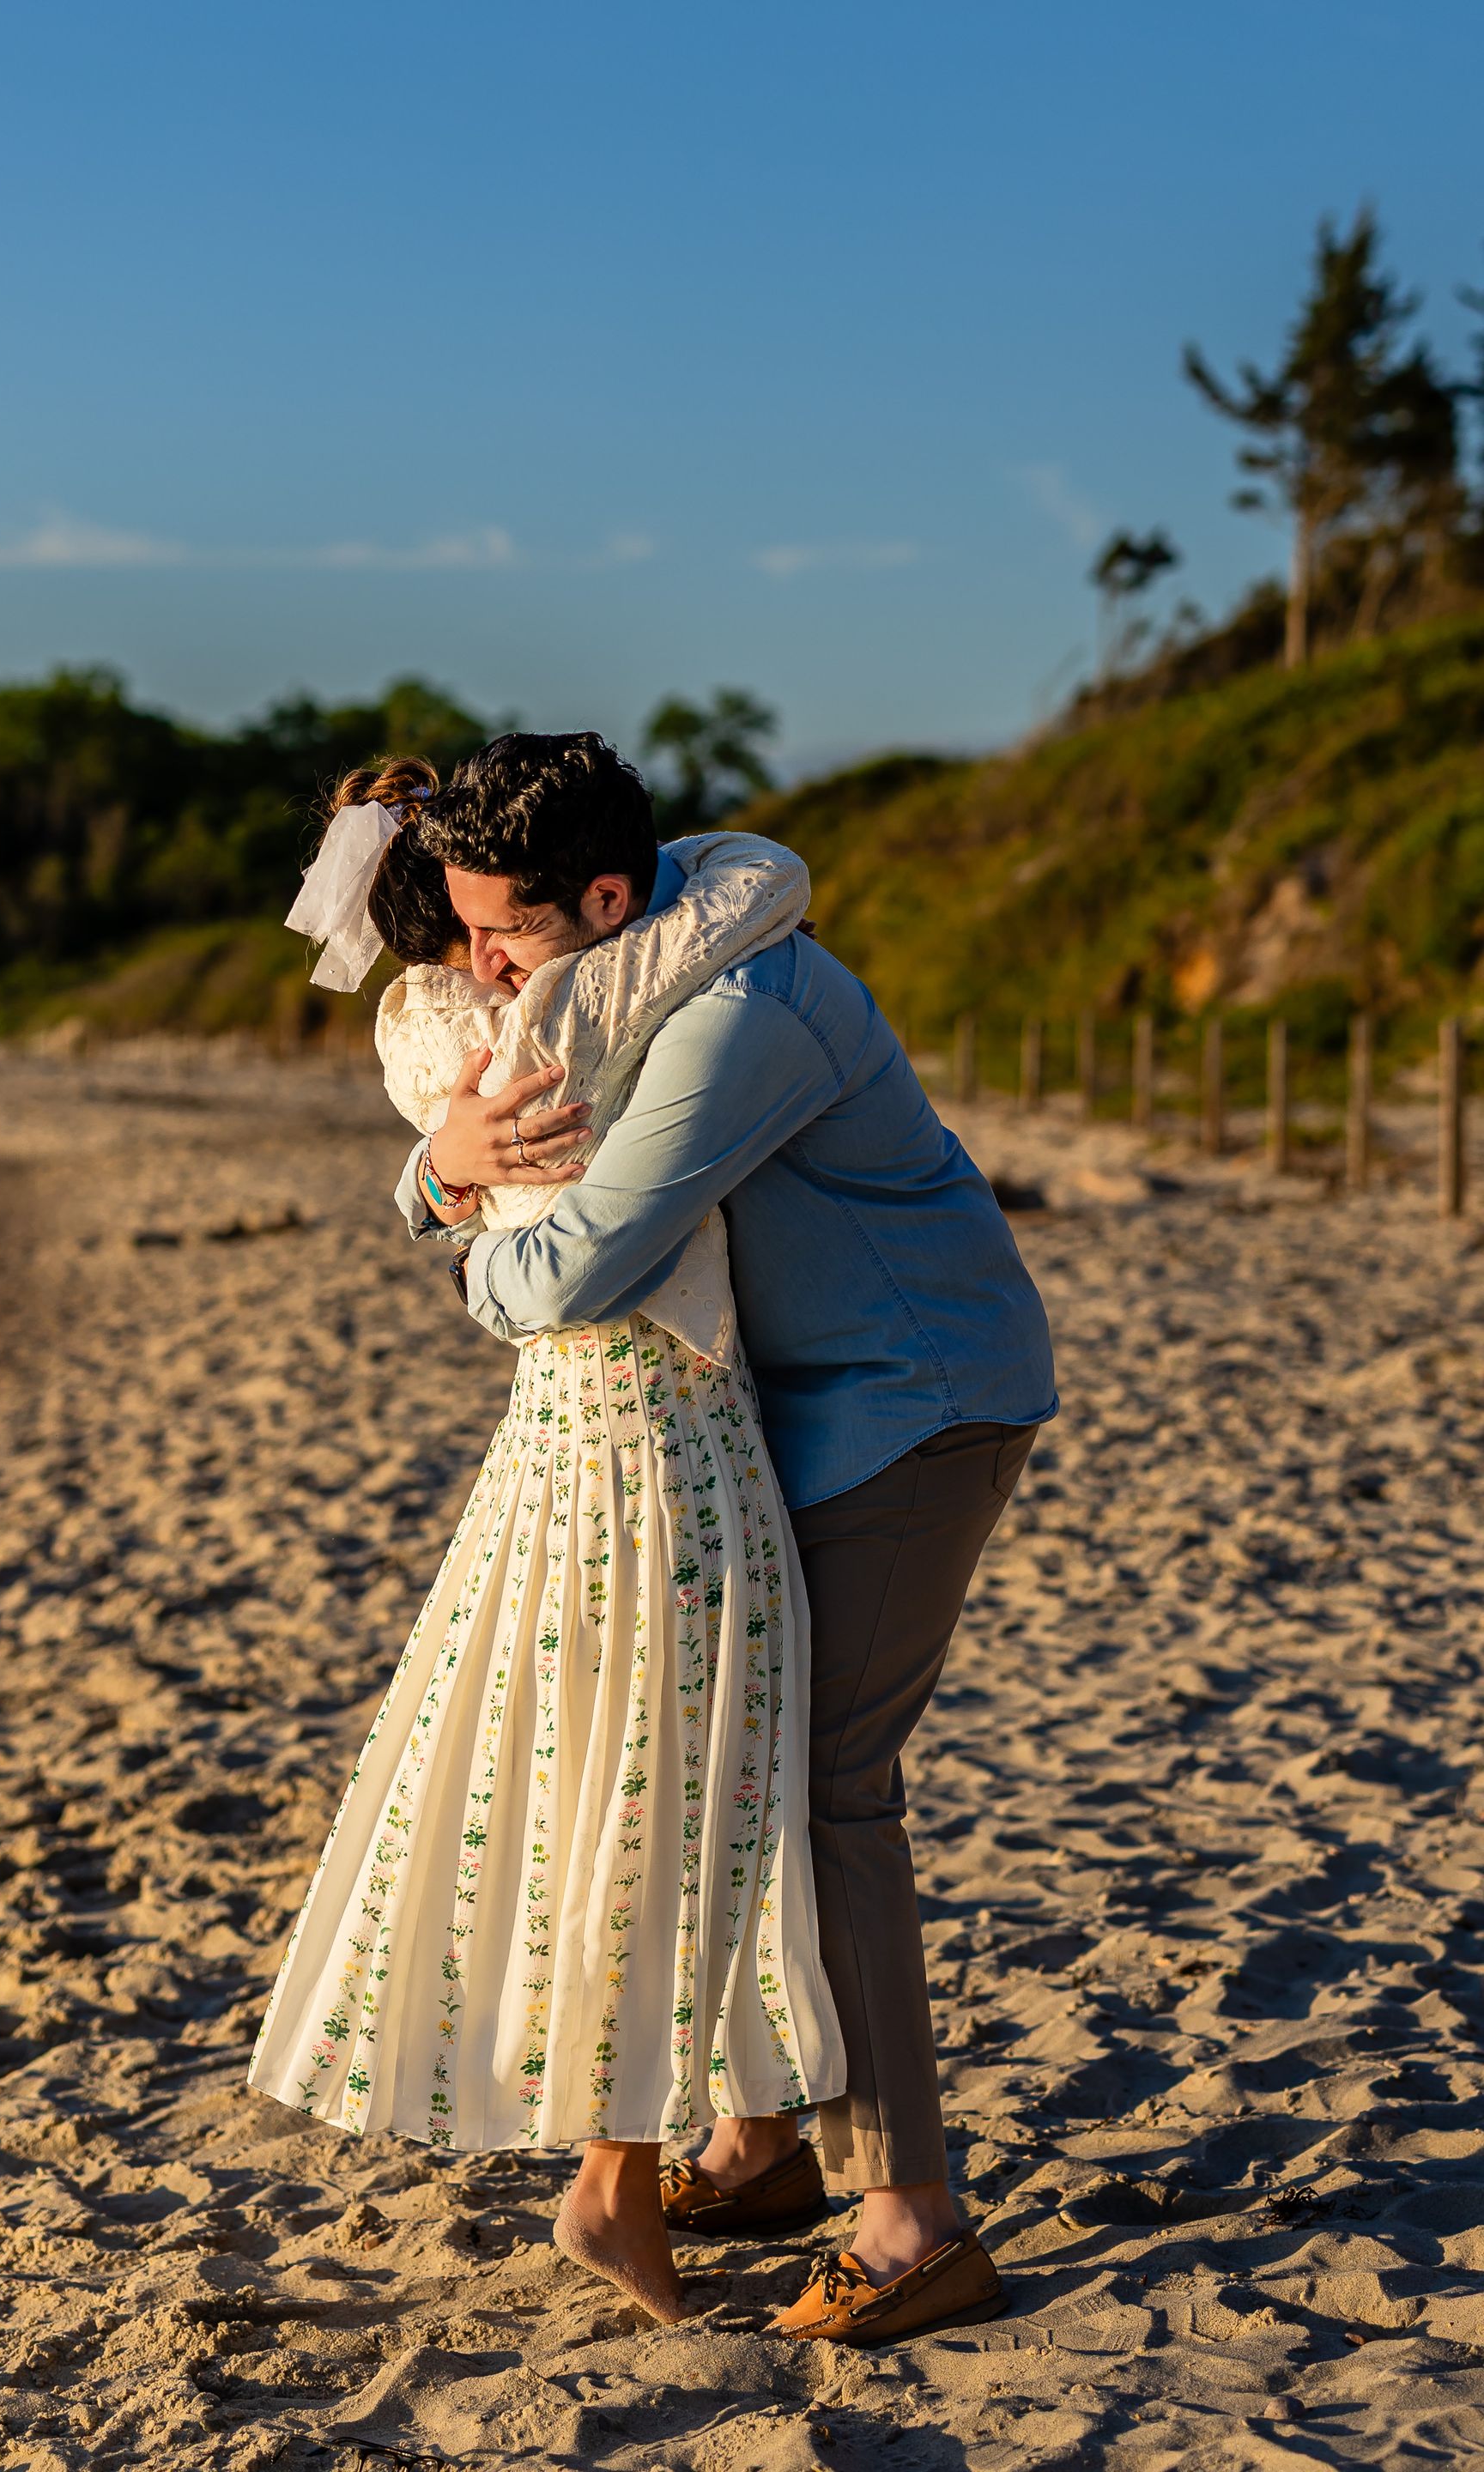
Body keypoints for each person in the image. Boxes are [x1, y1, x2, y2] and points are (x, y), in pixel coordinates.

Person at [393, 732, 1057, 2346]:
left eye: (508, 934)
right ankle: (759, 2151)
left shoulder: (737, 1015)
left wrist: (451, 1227)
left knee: (825, 1794)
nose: (483, 967)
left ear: (609, 894)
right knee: (747, 1770)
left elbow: (568, 1274)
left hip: (916, 1397)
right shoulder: (667, 931)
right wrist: (435, 1166)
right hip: (792, 1405)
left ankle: (911, 2219)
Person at [250, 742, 847, 2327]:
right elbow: (753, 888)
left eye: (504, 920)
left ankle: (754, 2133)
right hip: (664, 1443)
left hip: (557, 1451)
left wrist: (429, 1182)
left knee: (627, 1781)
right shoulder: (557, 1017)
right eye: (478, 924)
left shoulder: (427, 1027)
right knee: (675, 1801)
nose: (499, 950)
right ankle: (611, 2184)